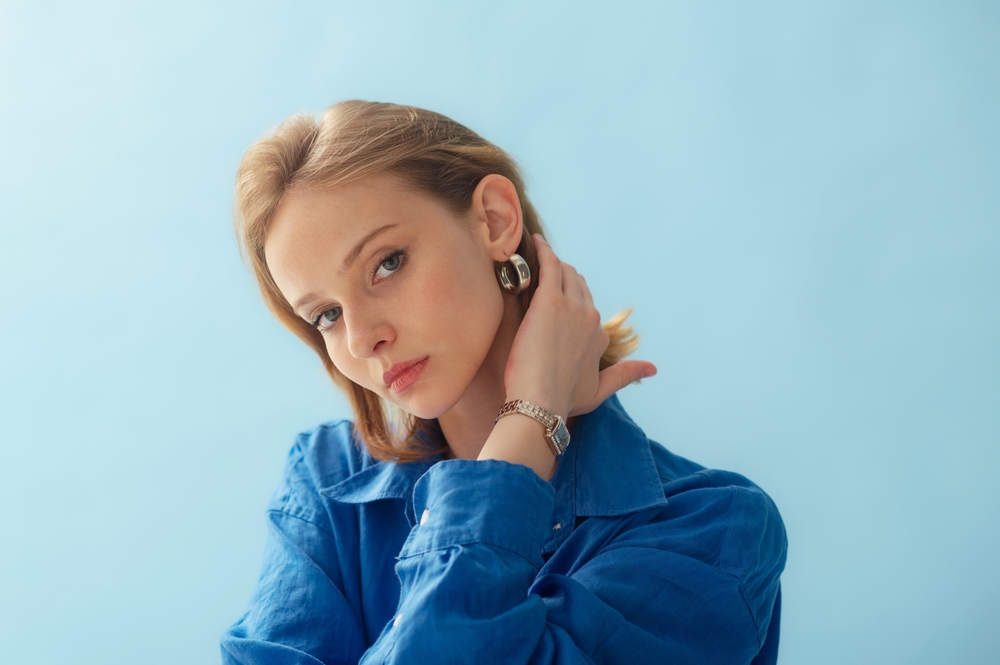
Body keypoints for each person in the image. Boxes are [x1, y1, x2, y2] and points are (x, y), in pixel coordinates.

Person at [220, 100, 787, 664]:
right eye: (326, 315)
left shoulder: (715, 531)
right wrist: (532, 419)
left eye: (387, 263)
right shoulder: (327, 484)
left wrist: (528, 422)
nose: (363, 338)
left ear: (494, 220)